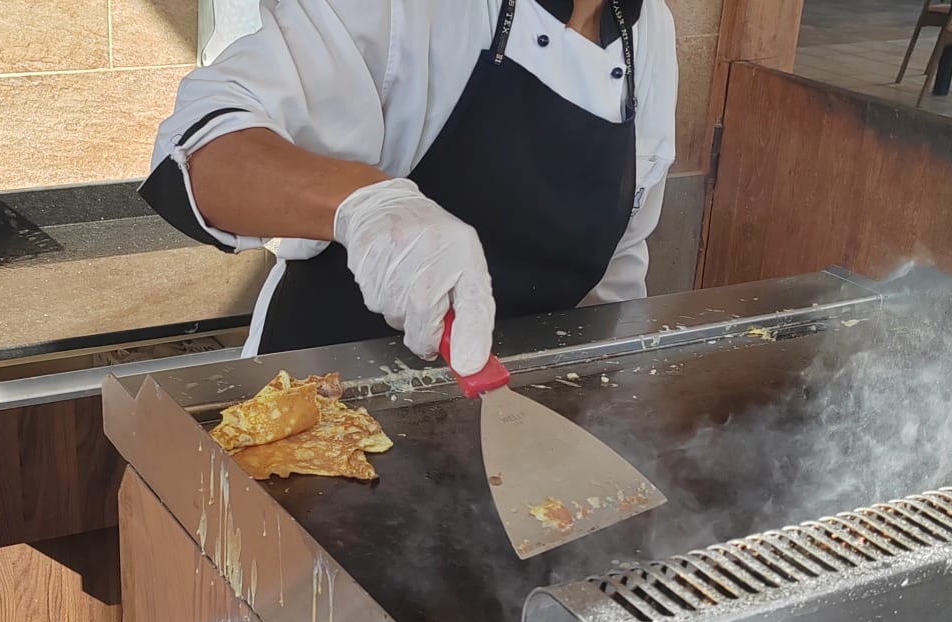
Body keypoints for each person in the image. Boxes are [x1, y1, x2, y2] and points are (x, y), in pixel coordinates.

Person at [139, 0, 678, 376]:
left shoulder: (652, 32)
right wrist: (365, 206)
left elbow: (615, 286)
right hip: (317, 410)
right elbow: (199, 151)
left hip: (508, 434)